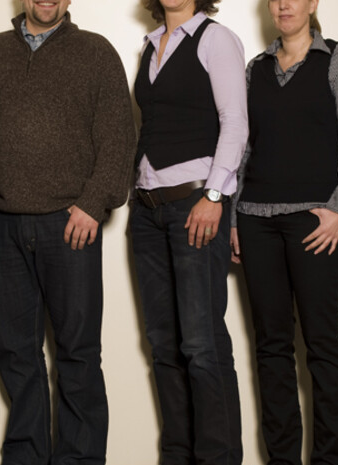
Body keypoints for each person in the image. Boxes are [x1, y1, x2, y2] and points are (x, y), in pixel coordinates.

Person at [0, 1, 136, 463]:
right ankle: (26, 455)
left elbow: (119, 135)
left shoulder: (96, 52)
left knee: (78, 353)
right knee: (16, 353)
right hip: (2, 227)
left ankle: (78, 459)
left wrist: (92, 203)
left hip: (70, 225)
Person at [229, 0, 338, 463]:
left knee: (323, 344)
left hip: (316, 222)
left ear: (312, 4)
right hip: (255, 221)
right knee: (271, 348)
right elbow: (245, 149)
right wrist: (233, 218)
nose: (284, 4)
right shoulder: (255, 69)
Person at [130, 0, 248, 463]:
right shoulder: (149, 45)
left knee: (201, 342)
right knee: (163, 343)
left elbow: (235, 123)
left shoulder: (216, 39)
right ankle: (177, 455)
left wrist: (215, 196)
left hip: (195, 204)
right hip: (147, 209)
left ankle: (218, 457)